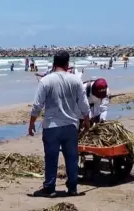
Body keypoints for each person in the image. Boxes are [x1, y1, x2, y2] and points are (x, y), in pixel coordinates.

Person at [28, 50, 90, 197]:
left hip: (51, 126)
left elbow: (37, 105)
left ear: (54, 64)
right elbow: (83, 103)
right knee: (72, 157)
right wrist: (87, 120)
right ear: (67, 64)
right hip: (70, 125)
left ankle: (50, 188)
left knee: (51, 157)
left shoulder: (46, 81)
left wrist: (31, 123)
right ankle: (73, 187)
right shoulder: (75, 80)